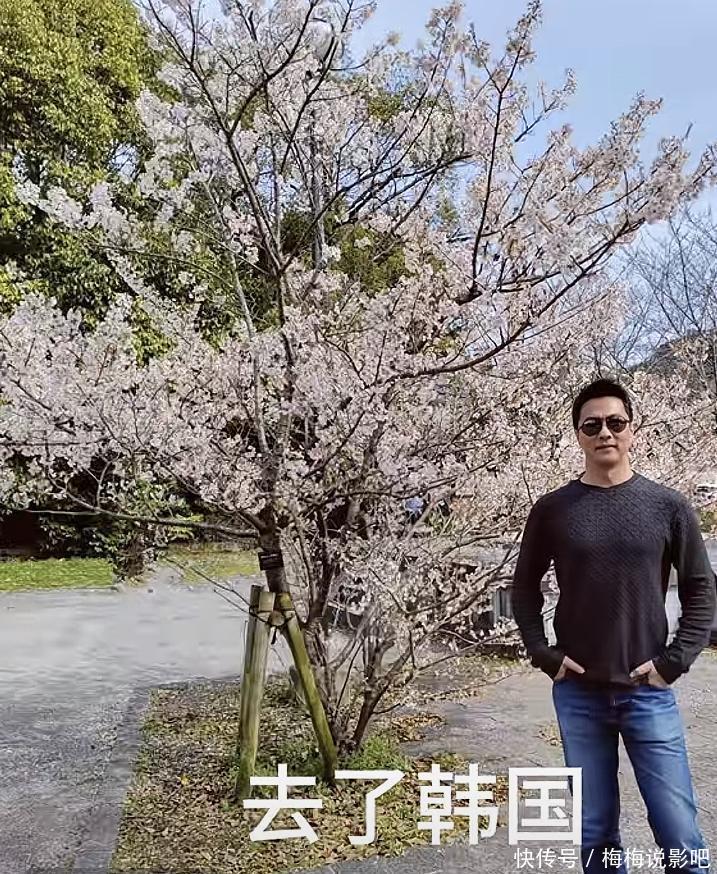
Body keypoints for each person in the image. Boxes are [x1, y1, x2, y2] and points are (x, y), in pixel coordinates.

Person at [511, 377, 716, 874]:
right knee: (595, 831)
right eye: (592, 425)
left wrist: (674, 662)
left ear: (632, 430)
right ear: (578, 435)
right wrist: (543, 653)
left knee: (679, 831)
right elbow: (524, 588)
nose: (605, 432)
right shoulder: (553, 510)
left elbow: (701, 589)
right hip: (579, 693)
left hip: (648, 690)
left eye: (616, 422)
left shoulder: (668, 507)